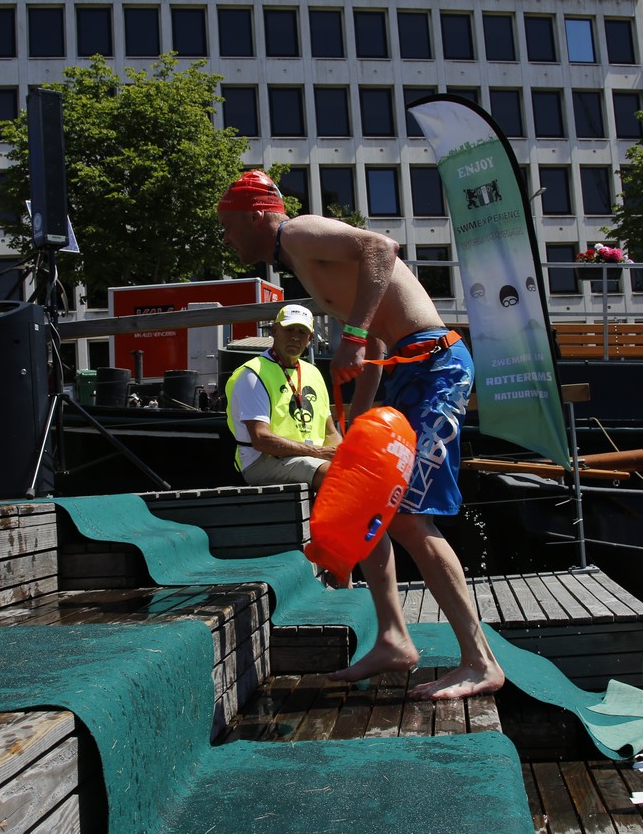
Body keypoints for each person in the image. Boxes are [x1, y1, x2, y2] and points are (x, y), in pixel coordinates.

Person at [216, 169, 505, 700]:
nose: (226, 239)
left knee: (411, 518)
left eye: (228, 226)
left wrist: (349, 335)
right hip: (408, 369)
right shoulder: (302, 261)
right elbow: (374, 346)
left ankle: (480, 661)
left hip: (435, 366)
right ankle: (394, 637)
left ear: (256, 215)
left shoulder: (298, 231)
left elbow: (381, 248)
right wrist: (357, 427)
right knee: (372, 503)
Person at [224, 303, 339, 491]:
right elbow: (261, 439)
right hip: (263, 461)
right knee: (336, 475)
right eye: (289, 329)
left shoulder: (313, 373)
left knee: (363, 470)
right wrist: (319, 452)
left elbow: (330, 432)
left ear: (310, 338)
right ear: (274, 331)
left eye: (302, 332)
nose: (295, 336)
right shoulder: (253, 373)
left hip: (310, 458)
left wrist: (344, 456)